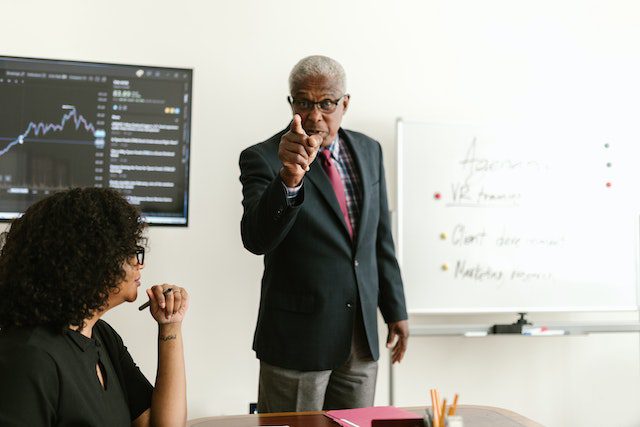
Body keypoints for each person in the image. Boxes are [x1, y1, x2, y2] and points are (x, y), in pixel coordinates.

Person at [239, 55, 409, 412]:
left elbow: (379, 237)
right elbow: (256, 239)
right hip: (297, 340)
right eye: (303, 102)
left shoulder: (368, 150)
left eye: (327, 103)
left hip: (360, 337)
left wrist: (395, 309)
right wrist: (289, 179)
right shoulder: (264, 157)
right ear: (291, 104)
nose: (315, 115)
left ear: (345, 103)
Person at [0, 188, 189, 427]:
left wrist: (170, 325)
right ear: (88, 259)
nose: (138, 264)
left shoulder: (102, 336)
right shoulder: (29, 357)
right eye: (128, 252)